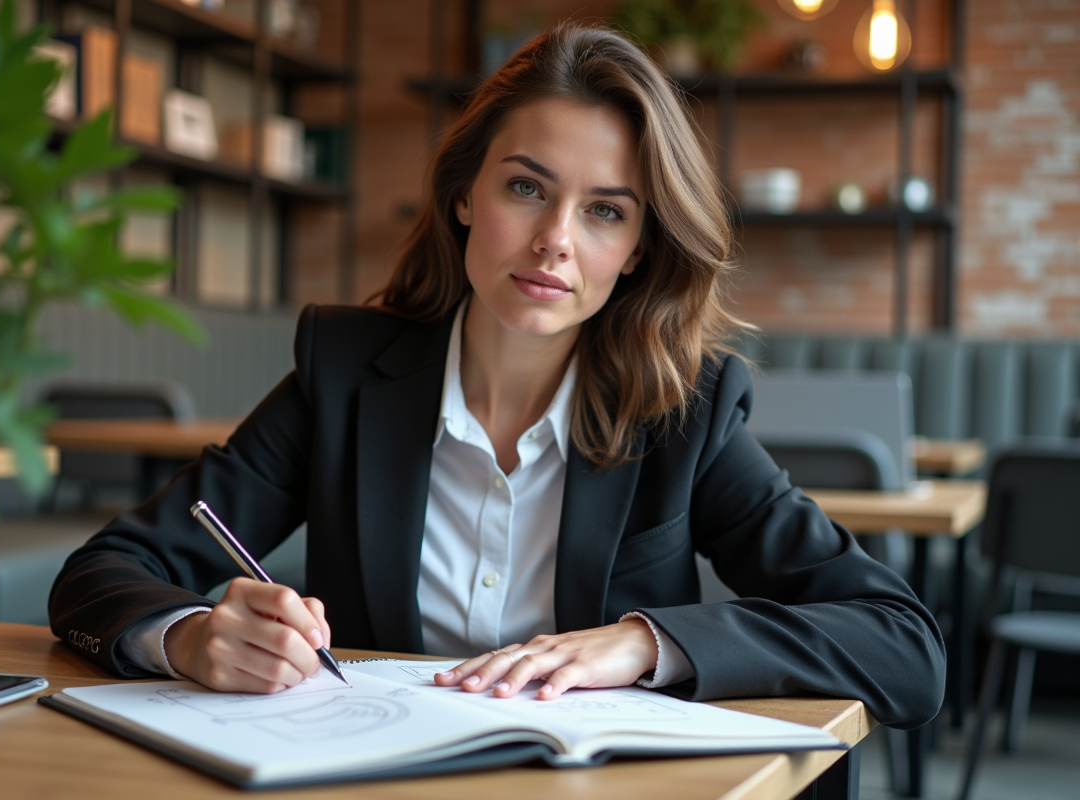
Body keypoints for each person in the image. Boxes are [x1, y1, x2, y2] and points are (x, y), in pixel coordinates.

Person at [49, 24, 945, 729]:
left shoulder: (685, 413)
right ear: (465, 194)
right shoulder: (346, 374)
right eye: (527, 188)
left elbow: (903, 646)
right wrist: (194, 636)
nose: (557, 237)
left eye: (605, 211)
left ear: (636, 251)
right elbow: (104, 573)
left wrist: (642, 644)